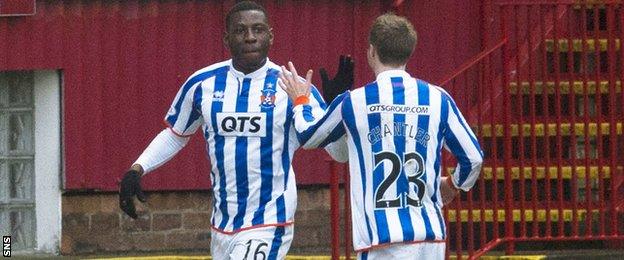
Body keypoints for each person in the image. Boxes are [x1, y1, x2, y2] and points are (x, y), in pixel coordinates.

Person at [117, 1, 352, 259]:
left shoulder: (294, 88)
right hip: (222, 226)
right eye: (241, 31)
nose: (250, 37)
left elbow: (338, 153)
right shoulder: (202, 84)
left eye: (258, 29)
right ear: (227, 39)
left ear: (270, 36)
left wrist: (335, 110)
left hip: (270, 219)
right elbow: (175, 135)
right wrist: (137, 169)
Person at [278, 13, 484, 259]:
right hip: (431, 237)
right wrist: (452, 185)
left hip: (381, 240)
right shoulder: (439, 99)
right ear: (409, 52)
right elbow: (473, 158)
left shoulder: (353, 102)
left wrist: (301, 101)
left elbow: (308, 136)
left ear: (372, 52)